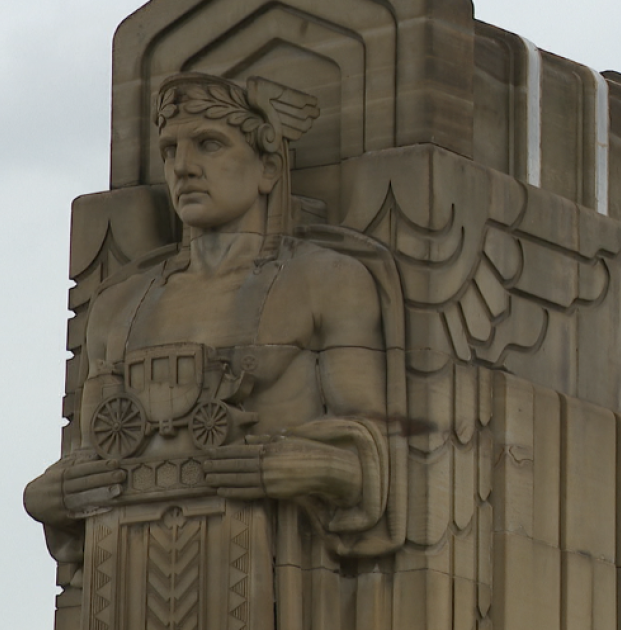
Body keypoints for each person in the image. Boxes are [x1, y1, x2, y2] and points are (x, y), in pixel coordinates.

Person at [25, 73, 401, 628]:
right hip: (123, 575)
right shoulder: (120, 304)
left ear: (269, 168)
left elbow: (369, 461)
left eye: (209, 143)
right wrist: (47, 494)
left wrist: (288, 466)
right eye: (170, 149)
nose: (182, 166)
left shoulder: (327, 280)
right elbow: (90, 457)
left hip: (274, 573)